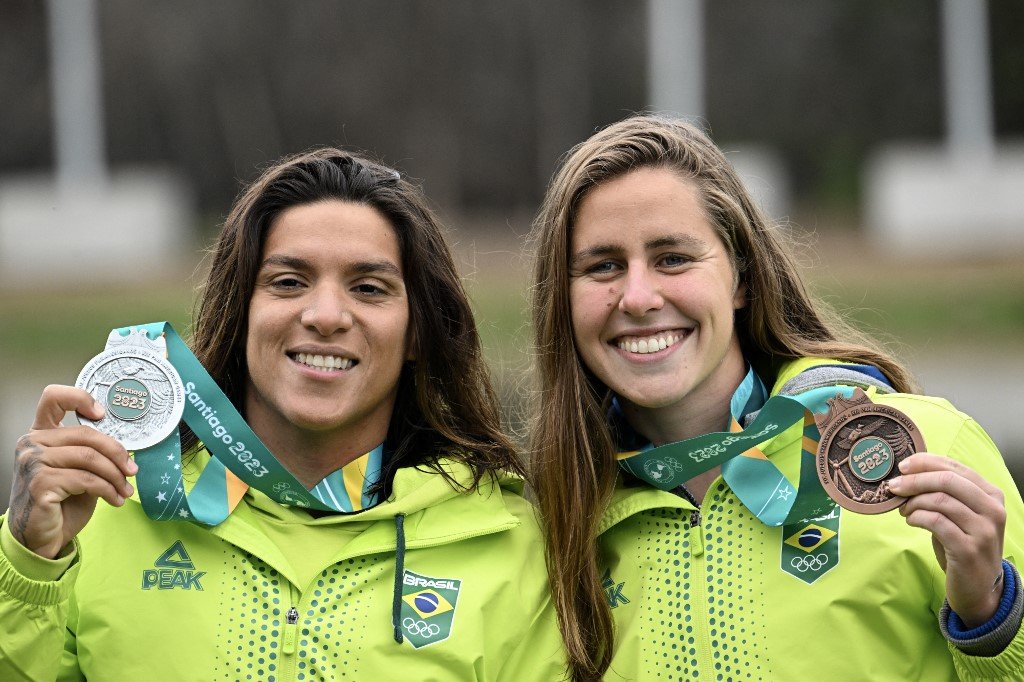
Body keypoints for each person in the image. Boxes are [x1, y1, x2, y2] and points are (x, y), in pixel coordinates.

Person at [0, 148, 564, 680]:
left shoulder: (508, 545)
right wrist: (27, 566)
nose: (324, 315)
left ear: (418, 330)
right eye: (288, 282)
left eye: (369, 288)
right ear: (239, 313)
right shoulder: (103, 512)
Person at [528, 114, 1024, 681]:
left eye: (673, 259)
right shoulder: (555, 520)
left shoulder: (920, 449)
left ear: (741, 278)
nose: (638, 297)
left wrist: (991, 616)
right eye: (603, 267)